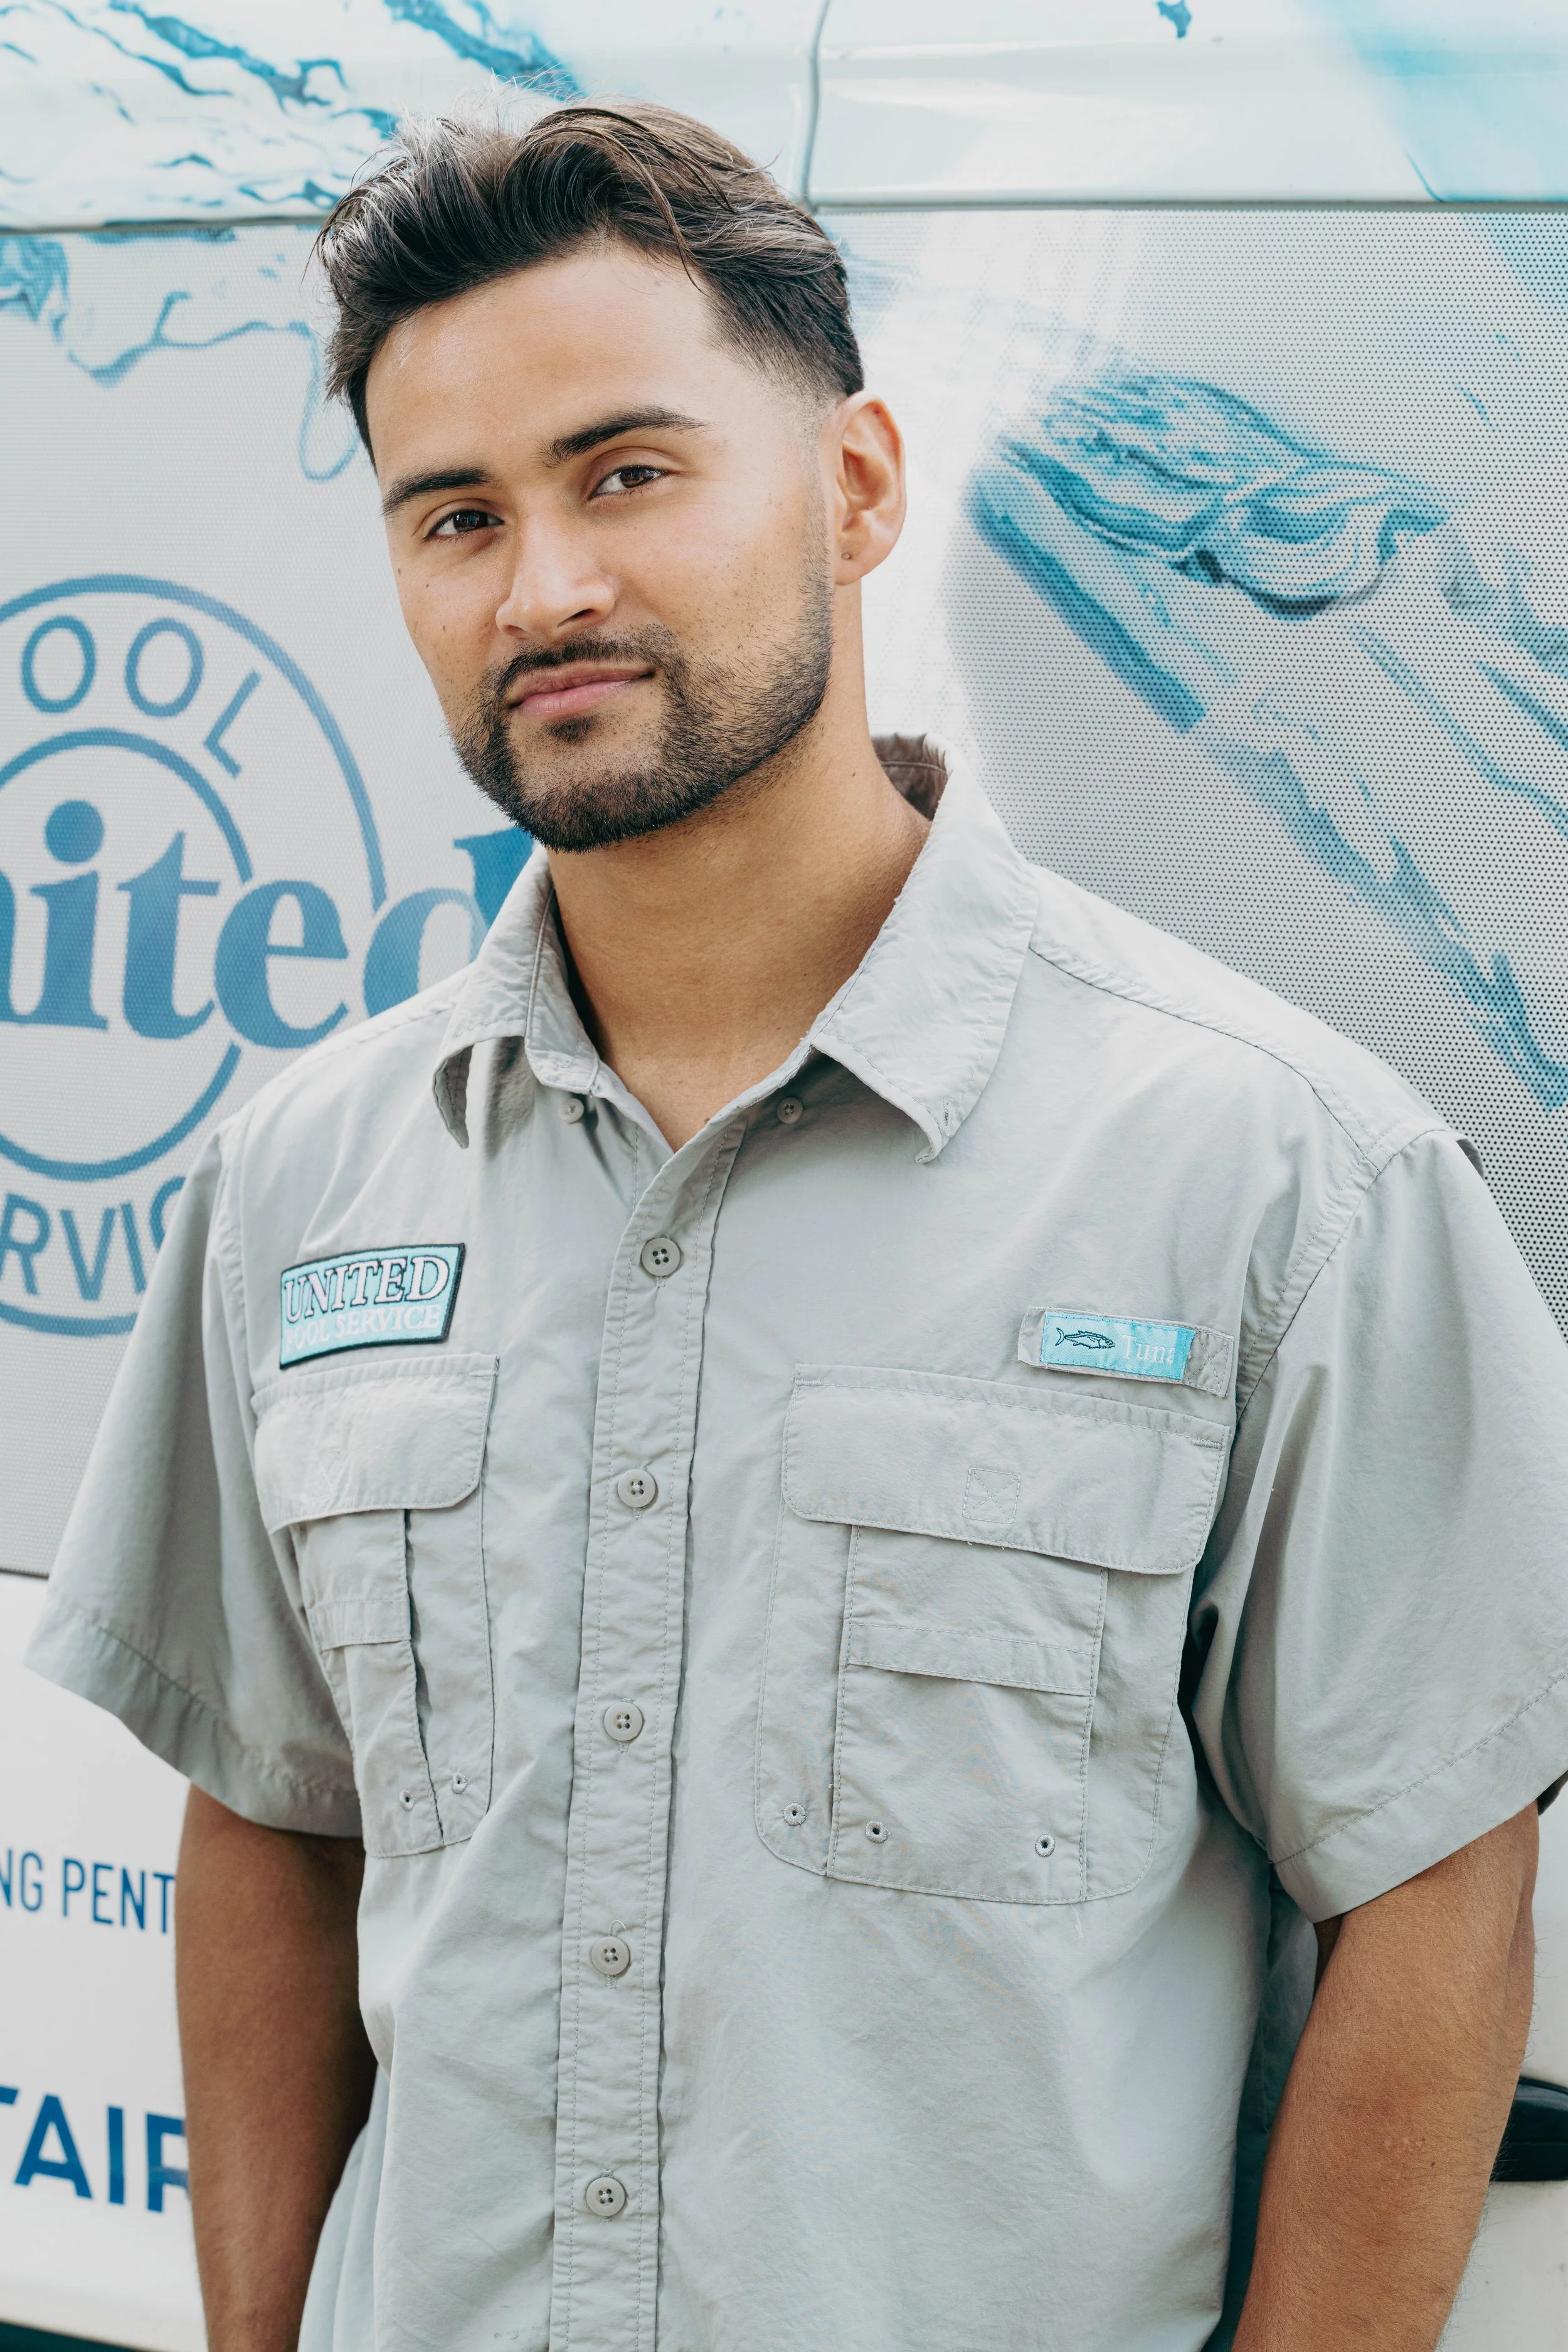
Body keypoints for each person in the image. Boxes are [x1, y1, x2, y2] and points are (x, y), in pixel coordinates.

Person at [26, 99, 1568, 2352]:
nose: (540, 585)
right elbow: (273, 1824)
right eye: (456, 516)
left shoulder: (1279, 1177)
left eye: (626, 474)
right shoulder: (300, 1179)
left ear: (853, 490)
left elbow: (1433, 1893)